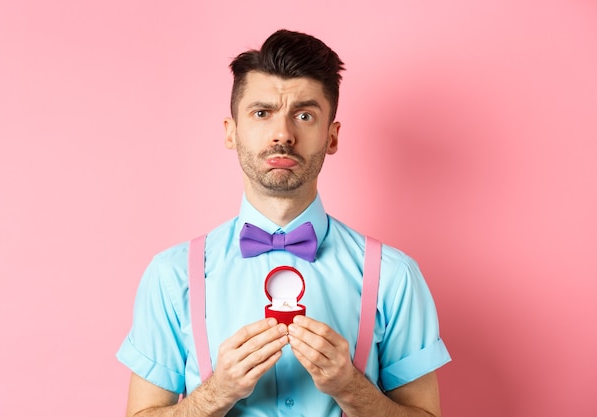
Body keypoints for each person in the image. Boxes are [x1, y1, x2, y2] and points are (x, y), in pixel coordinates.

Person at [117, 29, 451, 417]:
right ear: (231, 131)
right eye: (262, 113)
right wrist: (218, 393)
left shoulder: (394, 275)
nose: (283, 134)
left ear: (331, 136)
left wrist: (350, 387)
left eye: (304, 115)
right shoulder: (172, 275)